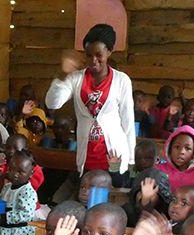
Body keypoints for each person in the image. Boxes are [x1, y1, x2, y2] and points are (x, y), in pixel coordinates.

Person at [46, 24, 136, 182]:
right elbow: (52, 103)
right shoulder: (75, 78)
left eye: (99, 54)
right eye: (88, 55)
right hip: (87, 156)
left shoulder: (121, 80)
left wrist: (131, 162)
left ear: (109, 52)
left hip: (114, 157)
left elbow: (128, 122)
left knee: (112, 197)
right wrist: (62, 74)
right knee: (88, 197)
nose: (93, 60)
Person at [0, 150, 38, 235]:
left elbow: (27, 214)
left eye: (20, 172)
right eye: (12, 170)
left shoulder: (27, 191)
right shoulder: (7, 187)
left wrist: (5, 217)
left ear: (30, 174)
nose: (15, 174)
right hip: (4, 230)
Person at [155, 125, 194, 194]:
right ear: (169, 149)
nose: (181, 152)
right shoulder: (157, 171)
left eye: (187, 148)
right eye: (177, 147)